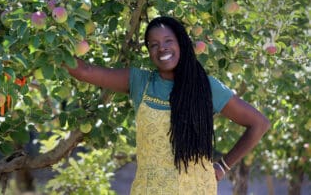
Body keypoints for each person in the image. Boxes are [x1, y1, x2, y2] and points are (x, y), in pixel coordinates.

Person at [64, 16, 270, 194]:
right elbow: (85, 72)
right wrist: (51, 48)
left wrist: (223, 166)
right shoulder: (139, 82)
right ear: (149, 52)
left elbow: (259, 124)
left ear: (181, 43)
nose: (161, 48)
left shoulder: (206, 87)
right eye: (153, 45)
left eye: (168, 41)